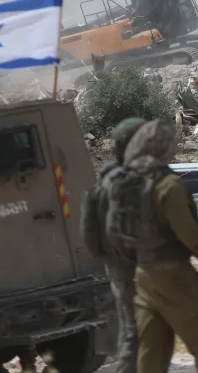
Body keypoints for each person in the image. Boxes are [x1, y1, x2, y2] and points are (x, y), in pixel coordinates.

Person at [122, 119, 198, 373]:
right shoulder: (168, 185)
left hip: (143, 275)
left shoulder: (129, 185)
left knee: (153, 349)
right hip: (173, 273)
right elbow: (188, 233)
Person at [81, 118, 147, 373]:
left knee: (133, 329)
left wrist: (106, 257)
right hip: (145, 266)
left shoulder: (102, 183)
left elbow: (88, 230)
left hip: (119, 269)